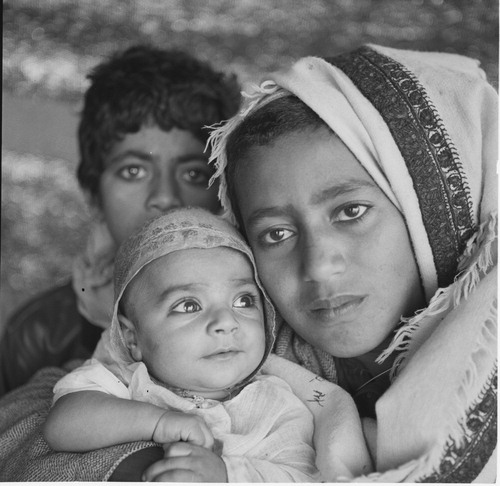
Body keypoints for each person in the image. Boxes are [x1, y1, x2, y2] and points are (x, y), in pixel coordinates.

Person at [207, 44, 497, 481]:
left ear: (431, 211)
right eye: (276, 235)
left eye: (351, 212)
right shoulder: (253, 360)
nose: (319, 266)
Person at [42, 207, 371, 482]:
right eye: (188, 305)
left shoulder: (276, 405)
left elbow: (301, 476)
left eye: (243, 300)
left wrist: (226, 474)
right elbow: (62, 424)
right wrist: (155, 422)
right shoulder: (127, 380)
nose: (227, 322)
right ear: (133, 339)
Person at [0, 44, 240, 396]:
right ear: (94, 193)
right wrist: (99, 331)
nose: (165, 197)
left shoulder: (257, 308)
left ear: (220, 192)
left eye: (192, 174)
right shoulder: (41, 333)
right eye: (133, 170)